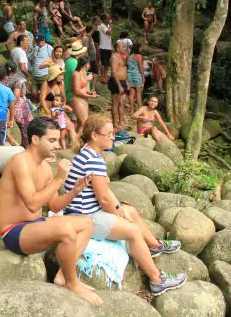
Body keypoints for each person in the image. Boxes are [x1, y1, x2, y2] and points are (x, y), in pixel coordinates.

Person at [64, 115, 186, 296]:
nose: (113, 137)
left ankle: (153, 245)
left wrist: (121, 210)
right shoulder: (93, 160)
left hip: (84, 211)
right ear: (95, 136)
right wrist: (119, 214)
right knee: (133, 231)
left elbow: (105, 193)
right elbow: (104, 200)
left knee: (131, 211)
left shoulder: (87, 153)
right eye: (109, 134)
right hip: (84, 217)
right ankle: (157, 280)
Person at [0, 117, 102, 306]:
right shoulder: (20, 161)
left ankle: (63, 275)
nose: (57, 145)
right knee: (67, 231)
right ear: (36, 140)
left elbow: (54, 206)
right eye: (52, 141)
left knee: (87, 224)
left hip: (35, 225)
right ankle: (72, 282)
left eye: (58, 140)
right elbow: (31, 204)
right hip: (14, 231)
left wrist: (74, 192)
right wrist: (59, 180)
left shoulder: (45, 167)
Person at [40, 65, 77, 146]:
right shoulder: (45, 84)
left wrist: (63, 110)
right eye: (60, 75)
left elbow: (64, 99)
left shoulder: (61, 84)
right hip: (46, 111)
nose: (62, 77)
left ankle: (75, 147)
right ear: (54, 75)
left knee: (71, 126)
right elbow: (42, 100)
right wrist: (48, 112)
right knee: (52, 128)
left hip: (58, 111)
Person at [5, 62, 33, 146]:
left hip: (5, 107)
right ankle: (27, 147)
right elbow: (17, 96)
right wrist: (11, 108)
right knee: (26, 128)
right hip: (17, 107)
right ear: (16, 69)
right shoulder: (18, 80)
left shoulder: (1, 79)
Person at [71, 57, 98, 134]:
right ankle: (79, 141)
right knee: (84, 122)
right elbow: (77, 91)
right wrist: (90, 96)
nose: (89, 66)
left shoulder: (83, 73)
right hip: (77, 100)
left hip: (84, 99)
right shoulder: (76, 74)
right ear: (86, 64)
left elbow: (84, 88)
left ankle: (76, 141)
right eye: (89, 64)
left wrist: (90, 92)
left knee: (80, 124)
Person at [108, 41, 129, 131]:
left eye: (125, 47)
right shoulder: (114, 57)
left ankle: (121, 122)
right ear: (117, 48)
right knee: (116, 103)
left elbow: (123, 70)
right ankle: (115, 123)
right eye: (123, 47)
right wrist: (119, 85)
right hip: (116, 82)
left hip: (123, 82)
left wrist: (126, 82)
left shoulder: (122, 56)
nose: (125, 48)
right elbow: (114, 72)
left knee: (122, 103)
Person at [127, 43, 144, 113]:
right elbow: (140, 67)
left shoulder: (129, 56)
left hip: (130, 75)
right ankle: (140, 110)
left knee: (131, 94)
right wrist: (143, 77)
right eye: (141, 48)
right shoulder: (139, 56)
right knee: (138, 94)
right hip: (137, 75)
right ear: (138, 48)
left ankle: (131, 110)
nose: (142, 49)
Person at [96, 14, 113, 83]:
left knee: (107, 64)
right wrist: (111, 26)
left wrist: (112, 46)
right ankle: (102, 77)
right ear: (104, 19)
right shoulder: (101, 26)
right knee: (103, 63)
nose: (109, 19)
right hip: (103, 47)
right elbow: (109, 32)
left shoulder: (108, 26)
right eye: (108, 18)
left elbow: (110, 37)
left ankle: (105, 76)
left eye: (109, 17)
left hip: (108, 47)